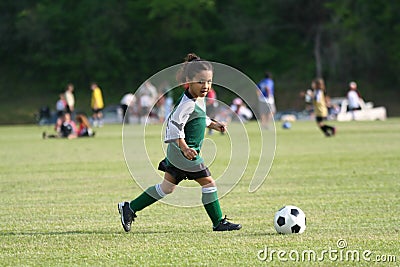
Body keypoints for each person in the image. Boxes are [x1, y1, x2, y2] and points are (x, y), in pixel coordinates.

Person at [118, 53, 242, 232]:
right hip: (184, 154)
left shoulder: (198, 99)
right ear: (189, 80)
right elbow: (172, 127)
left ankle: (129, 208)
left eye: (209, 81)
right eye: (200, 81)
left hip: (179, 153)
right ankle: (218, 222)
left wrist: (213, 124)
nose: (205, 86)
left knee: (166, 188)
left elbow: (198, 118)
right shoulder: (186, 104)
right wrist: (184, 148)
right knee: (209, 184)